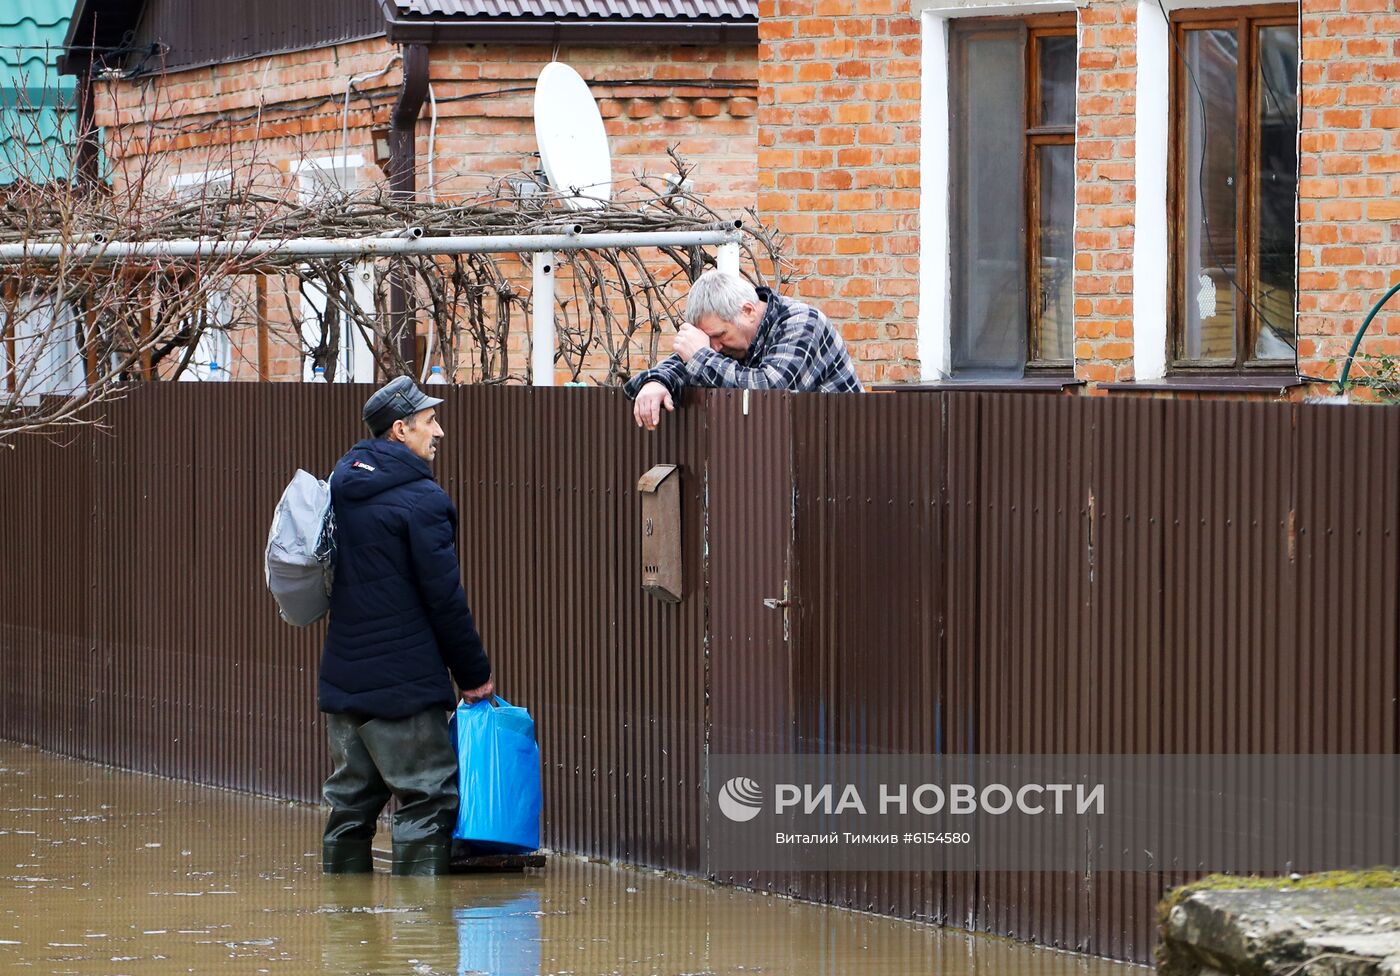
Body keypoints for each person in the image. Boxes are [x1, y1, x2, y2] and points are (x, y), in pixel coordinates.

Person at [318, 375, 494, 877]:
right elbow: (445, 599)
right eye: (429, 422)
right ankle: (423, 946)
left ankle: (346, 939)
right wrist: (474, 674)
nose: (438, 432)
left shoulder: (340, 486)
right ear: (400, 430)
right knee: (426, 801)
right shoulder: (423, 501)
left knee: (350, 806)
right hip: (404, 686)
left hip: (344, 682)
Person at [624, 270, 863, 430]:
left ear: (748, 311)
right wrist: (656, 381)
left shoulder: (803, 323)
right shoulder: (729, 343)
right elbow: (690, 361)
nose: (714, 348)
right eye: (707, 341)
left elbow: (771, 392)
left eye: (719, 336)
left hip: (842, 458)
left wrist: (700, 356)